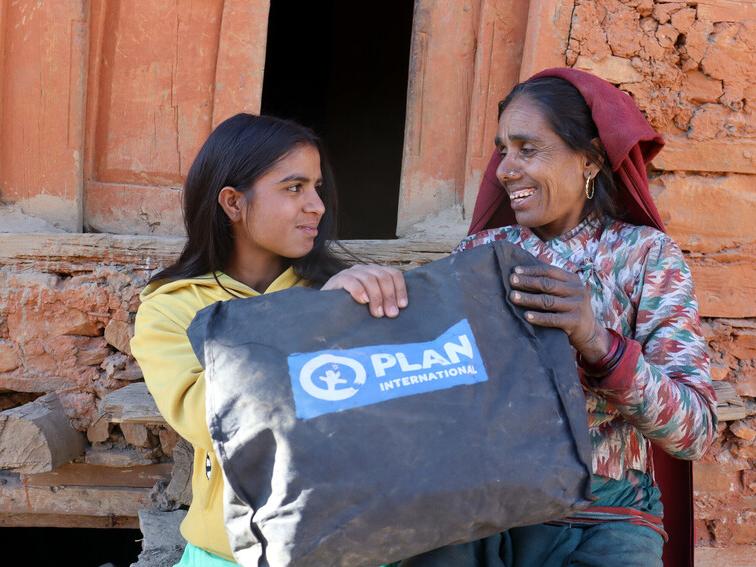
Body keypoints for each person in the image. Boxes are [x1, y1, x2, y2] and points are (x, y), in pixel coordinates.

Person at [390, 68, 717, 567]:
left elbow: (693, 431)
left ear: (588, 159)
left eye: (527, 148)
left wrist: (597, 342)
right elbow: (424, 389)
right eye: (503, 150)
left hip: (604, 520)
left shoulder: (644, 257)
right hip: (483, 515)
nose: (504, 169)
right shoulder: (480, 256)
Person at [130, 113, 407, 566]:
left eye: (317, 188)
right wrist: (314, 322)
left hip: (353, 549)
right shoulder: (171, 308)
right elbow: (215, 421)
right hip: (229, 553)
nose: (317, 205)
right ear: (234, 203)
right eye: (294, 188)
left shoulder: (345, 290)